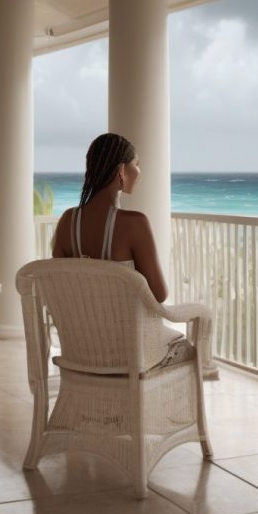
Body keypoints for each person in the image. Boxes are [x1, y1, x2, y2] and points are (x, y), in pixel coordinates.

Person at [51, 132, 191, 368]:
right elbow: (158, 294)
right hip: (131, 352)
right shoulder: (134, 223)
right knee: (189, 351)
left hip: (82, 350)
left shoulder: (66, 221)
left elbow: (61, 287)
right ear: (121, 171)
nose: (140, 172)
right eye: (137, 165)